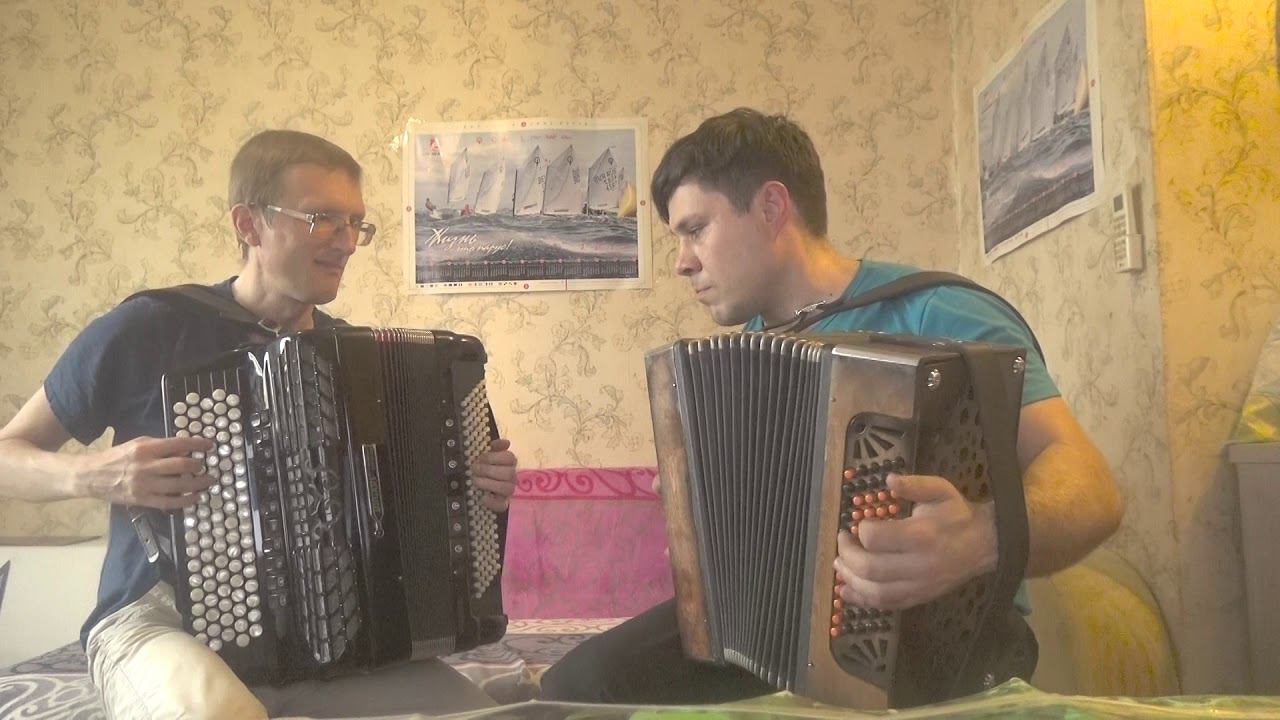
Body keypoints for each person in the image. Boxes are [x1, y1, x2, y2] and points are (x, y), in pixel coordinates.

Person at [540, 108, 1123, 704]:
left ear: (771, 208)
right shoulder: (747, 356)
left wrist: (980, 538)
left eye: (695, 229)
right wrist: (700, 528)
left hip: (937, 650)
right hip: (777, 643)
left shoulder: (939, 313)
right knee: (573, 691)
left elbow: (1094, 491)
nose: (682, 261)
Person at [0, 129, 519, 719]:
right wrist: (96, 475)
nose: (347, 242)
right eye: (323, 218)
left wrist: (473, 485)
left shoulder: (358, 360)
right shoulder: (150, 328)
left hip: (335, 646)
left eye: (356, 222)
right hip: (160, 624)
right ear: (248, 224)